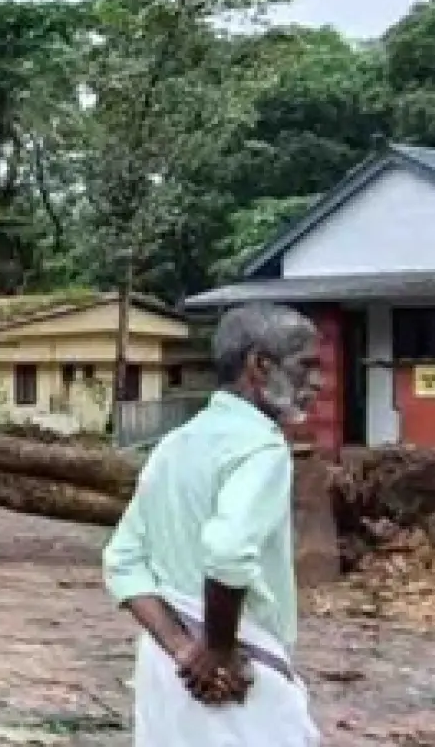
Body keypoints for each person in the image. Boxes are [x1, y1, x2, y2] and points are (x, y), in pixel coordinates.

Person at [102, 302, 326, 746]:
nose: (317, 383)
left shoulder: (173, 445)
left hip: (170, 674)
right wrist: (219, 652)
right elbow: (227, 551)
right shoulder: (261, 447)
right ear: (259, 365)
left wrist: (184, 650)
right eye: (307, 366)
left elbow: (122, 561)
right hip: (237, 673)